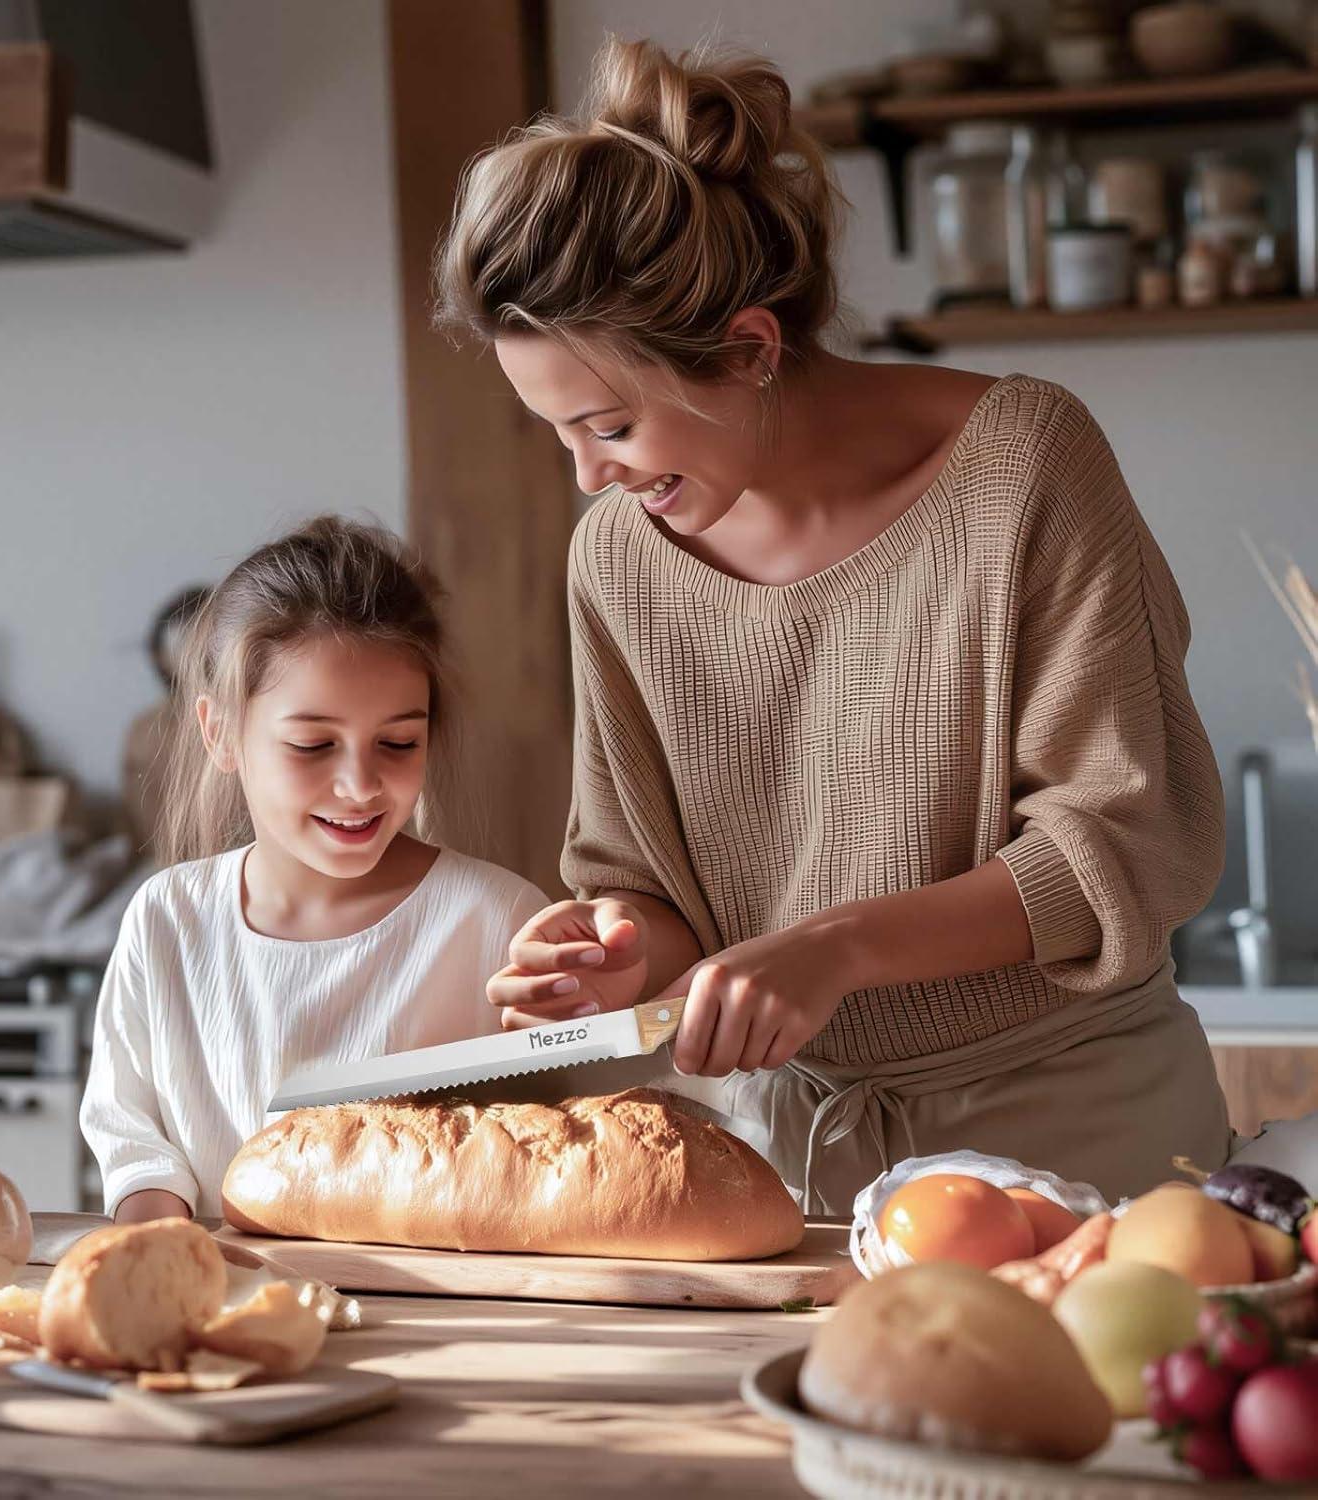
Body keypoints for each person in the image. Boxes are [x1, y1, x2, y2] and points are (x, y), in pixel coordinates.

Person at [436, 37, 1231, 1210]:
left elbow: (1120, 841)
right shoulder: (619, 556)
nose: (589, 477)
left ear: (750, 349)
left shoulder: (1022, 466)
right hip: (794, 1161)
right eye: (555, 433)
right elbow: (647, 883)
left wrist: (838, 949)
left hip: (1077, 1139)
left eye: (609, 426)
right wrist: (616, 947)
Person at [81, 515, 547, 1221]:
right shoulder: (168, 918)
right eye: (312, 745)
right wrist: (164, 1244)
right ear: (221, 733)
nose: (360, 786)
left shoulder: (496, 920)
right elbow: (132, 1136)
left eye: (398, 742)